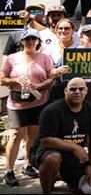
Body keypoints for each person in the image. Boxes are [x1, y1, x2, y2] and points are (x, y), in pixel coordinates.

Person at [1, 29, 63, 187]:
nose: (30, 42)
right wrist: (15, 80)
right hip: (17, 103)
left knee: (33, 135)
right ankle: (9, 170)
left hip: (39, 101)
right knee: (17, 135)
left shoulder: (45, 58)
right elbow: (2, 79)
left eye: (33, 39)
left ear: (38, 42)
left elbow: (51, 78)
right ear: (21, 41)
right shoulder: (11, 58)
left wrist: (38, 85)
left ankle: (27, 164)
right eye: (27, 39)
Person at [32, 77, 91, 194]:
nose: (77, 92)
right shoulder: (52, 110)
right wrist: (74, 147)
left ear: (86, 91)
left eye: (81, 89)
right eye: (73, 89)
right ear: (66, 91)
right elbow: (46, 141)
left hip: (74, 156)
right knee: (53, 159)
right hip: (49, 151)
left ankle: (63, 175)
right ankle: (47, 188)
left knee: (88, 190)